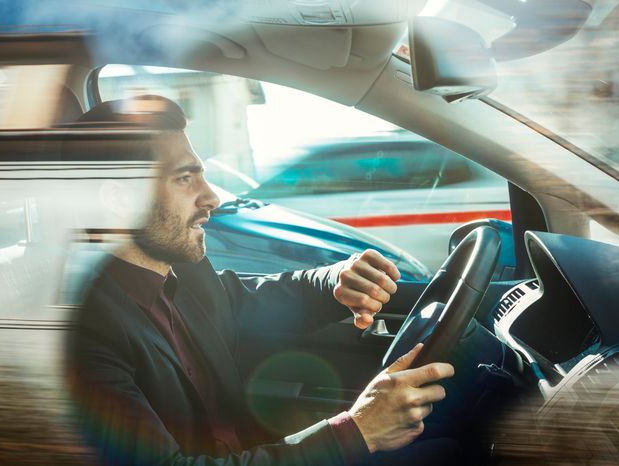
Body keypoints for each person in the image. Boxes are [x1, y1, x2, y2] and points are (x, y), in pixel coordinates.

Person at [66, 95, 455, 465]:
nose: (211, 198)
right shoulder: (85, 332)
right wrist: (357, 431)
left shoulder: (183, 275)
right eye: (185, 179)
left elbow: (255, 299)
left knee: (452, 447)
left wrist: (336, 279)